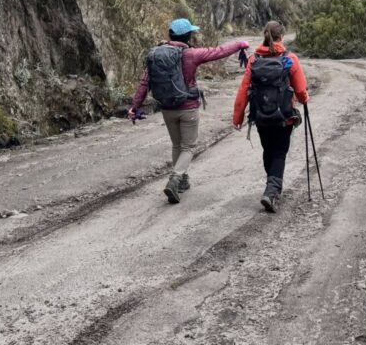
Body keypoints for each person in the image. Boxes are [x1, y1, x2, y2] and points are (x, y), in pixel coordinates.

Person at [130, 18, 248, 204]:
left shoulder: (156, 55)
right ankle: (175, 178)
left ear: (170, 34)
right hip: (188, 108)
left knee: (177, 145)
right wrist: (239, 44)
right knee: (188, 147)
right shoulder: (191, 54)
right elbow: (218, 51)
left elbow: (145, 83)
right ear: (188, 36)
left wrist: (135, 106)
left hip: (167, 108)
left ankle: (182, 181)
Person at [232, 21, 308, 213]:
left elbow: (243, 89)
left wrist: (238, 116)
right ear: (281, 36)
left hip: (260, 116)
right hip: (284, 117)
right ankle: (272, 191)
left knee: (269, 149)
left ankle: (271, 185)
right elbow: (300, 89)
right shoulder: (290, 58)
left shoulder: (254, 60)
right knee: (279, 152)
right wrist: (304, 99)